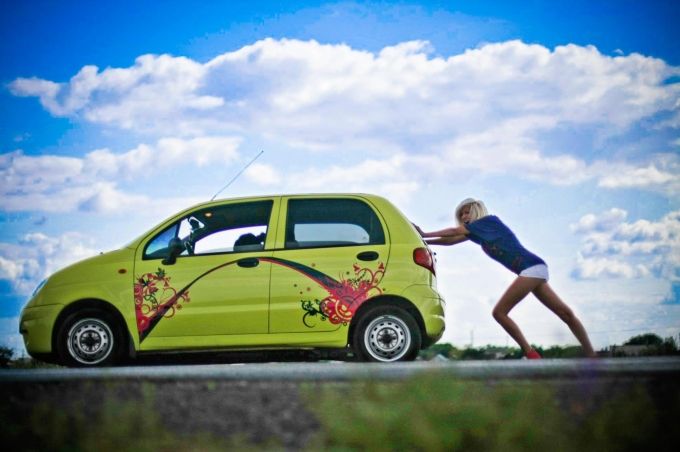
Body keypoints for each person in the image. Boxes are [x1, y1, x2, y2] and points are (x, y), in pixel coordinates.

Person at [415, 198, 596, 359]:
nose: (463, 216)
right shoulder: (478, 233)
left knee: (499, 313)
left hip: (531, 268)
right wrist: (421, 241)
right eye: (461, 214)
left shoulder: (489, 221)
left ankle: (531, 354)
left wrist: (424, 233)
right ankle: (592, 356)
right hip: (533, 270)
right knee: (565, 314)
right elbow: (451, 239)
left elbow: (454, 231)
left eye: (467, 212)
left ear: (477, 211)